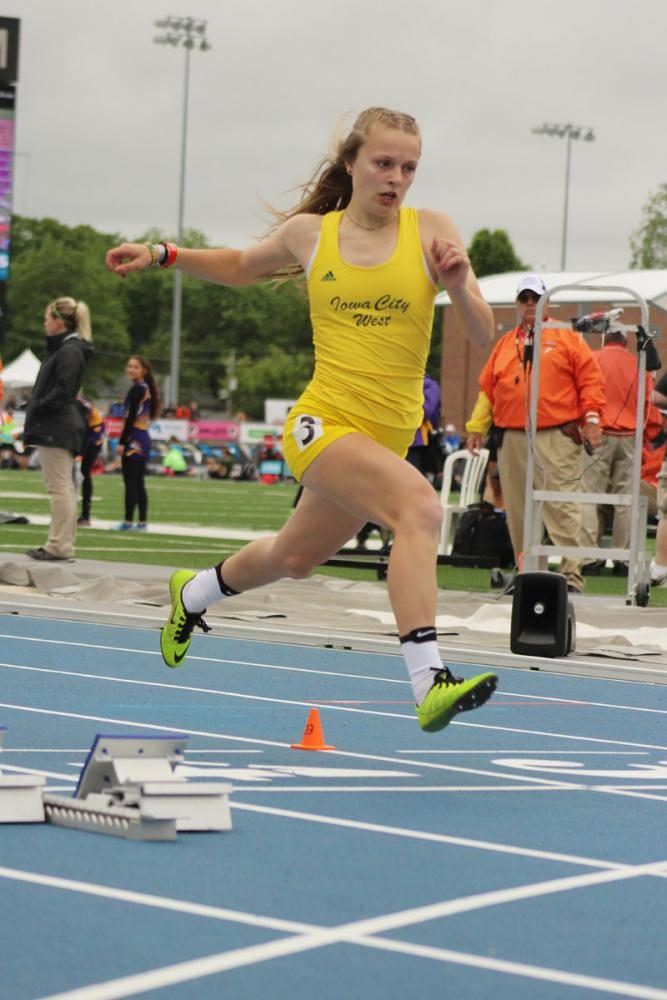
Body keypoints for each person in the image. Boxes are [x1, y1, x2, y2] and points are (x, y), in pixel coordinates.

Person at [106, 106, 498, 734]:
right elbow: (239, 266)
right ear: (352, 163)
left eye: (409, 167)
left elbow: (485, 334)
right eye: (384, 163)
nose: (396, 177)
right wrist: (162, 253)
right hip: (323, 424)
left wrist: (456, 284)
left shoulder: (433, 231)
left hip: (384, 437)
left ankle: (194, 593)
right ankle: (429, 680)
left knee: (294, 559)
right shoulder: (312, 234)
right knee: (420, 510)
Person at [465, 274, 605, 593]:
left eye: (536, 298)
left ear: (546, 302)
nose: (530, 304)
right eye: (524, 298)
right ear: (517, 303)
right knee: (518, 508)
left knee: (561, 505)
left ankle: (571, 577)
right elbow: (489, 389)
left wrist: (593, 419)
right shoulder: (505, 343)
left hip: (555, 433)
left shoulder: (567, 337)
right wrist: (476, 427)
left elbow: (590, 381)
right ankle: (528, 573)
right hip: (513, 435)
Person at [579, 322, 653, 577]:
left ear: (604, 338)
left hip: (597, 433)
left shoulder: (592, 359)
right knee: (626, 499)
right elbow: (648, 403)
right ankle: (623, 558)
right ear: (626, 341)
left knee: (590, 495)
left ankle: (589, 557)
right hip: (630, 436)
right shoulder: (639, 365)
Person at [23, 297, 93, 561]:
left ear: (58, 322)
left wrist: (39, 405)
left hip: (57, 424)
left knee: (59, 486)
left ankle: (59, 545)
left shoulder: (68, 351)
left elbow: (64, 389)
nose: (44, 322)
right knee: (62, 486)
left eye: (47, 317)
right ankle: (60, 543)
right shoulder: (68, 349)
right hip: (58, 423)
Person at [115, 355, 160, 530]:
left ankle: (128, 521)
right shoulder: (145, 388)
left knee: (131, 481)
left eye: (135, 367)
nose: (131, 369)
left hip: (134, 438)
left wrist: (122, 441)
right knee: (138, 482)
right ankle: (141, 521)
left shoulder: (137, 389)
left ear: (144, 371)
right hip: (142, 437)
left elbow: (130, 417)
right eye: (129, 366)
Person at [405, 373, 442, 484]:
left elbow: (427, 410)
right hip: (403, 437)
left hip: (416, 439)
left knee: (412, 476)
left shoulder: (429, 385)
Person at [76, 395, 105, 526]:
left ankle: (85, 514)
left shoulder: (85, 406)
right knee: (79, 475)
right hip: (82, 440)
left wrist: (81, 450)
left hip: (92, 442)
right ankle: (80, 514)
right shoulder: (76, 401)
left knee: (84, 473)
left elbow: (95, 431)